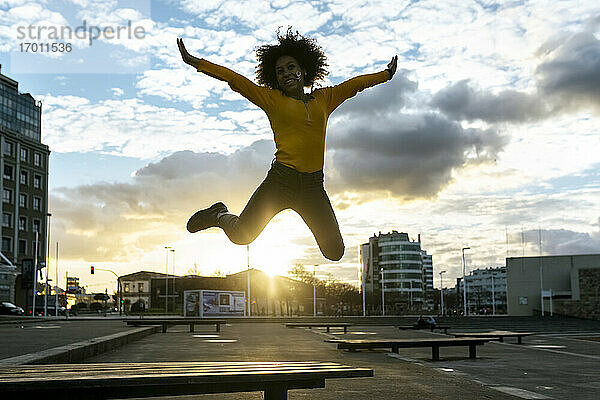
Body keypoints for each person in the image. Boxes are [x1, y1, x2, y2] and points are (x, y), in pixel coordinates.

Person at [178, 28, 397, 261]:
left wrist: (385, 75)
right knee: (242, 235)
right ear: (275, 78)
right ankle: (219, 214)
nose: (286, 74)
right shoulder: (272, 100)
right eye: (280, 71)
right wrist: (196, 63)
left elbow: (355, 85)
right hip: (281, 182)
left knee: (335, 252)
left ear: (303, 70)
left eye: (291, 67)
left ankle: (220, 214)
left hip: (313, 188)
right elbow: (235, 80)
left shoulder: (324, 99)